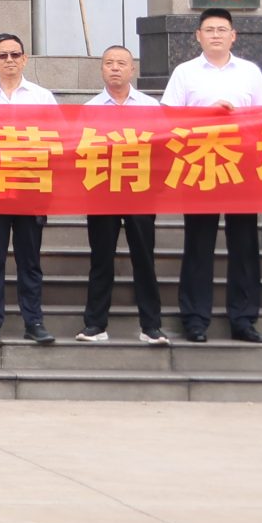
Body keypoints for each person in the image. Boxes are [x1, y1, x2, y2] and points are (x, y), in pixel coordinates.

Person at [162, 7, 262, 343]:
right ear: (198, 36)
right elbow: (167, 119)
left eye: (222, 30)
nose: (216, 35)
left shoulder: (250, 72)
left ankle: (244, 319)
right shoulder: (185, 72)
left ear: (233, 36)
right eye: (209, 30)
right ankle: (195, 319)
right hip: (200, 163)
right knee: (198, 244)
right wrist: (206, 115)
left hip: (242, 165)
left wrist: (238, 118)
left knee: (244, 244)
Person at [0, 33, 55, 345]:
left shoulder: (42, 97)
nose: (9, 61)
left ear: (25, 59)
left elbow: (60, 138)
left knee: (30, 260)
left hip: (31, 187)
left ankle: (34, 321)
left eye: (15, 55)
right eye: (2, 56)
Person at [75, 45, 166, 345]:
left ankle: (151, 326)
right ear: (102, 69)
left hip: (139, 191)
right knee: (101, 259)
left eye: (121, 63)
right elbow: (79, 150)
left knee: (144, 259)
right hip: (102, 190)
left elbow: (162, 147)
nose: (115, 68)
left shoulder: (150, 106)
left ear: (132, 69)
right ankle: (95, 324)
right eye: (109, 63)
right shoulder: (90, 108)